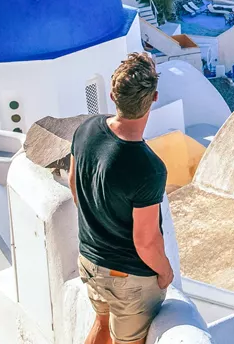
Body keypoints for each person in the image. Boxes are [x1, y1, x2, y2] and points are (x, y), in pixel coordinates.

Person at [69, 53, 171, 344]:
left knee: (100, 327)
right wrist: (165, 273)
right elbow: (146, 241)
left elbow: (75, 187)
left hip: (90, 259)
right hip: (127, 277)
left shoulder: (86, 130)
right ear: (153, 98)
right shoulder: (148, 167)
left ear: (113, 95)